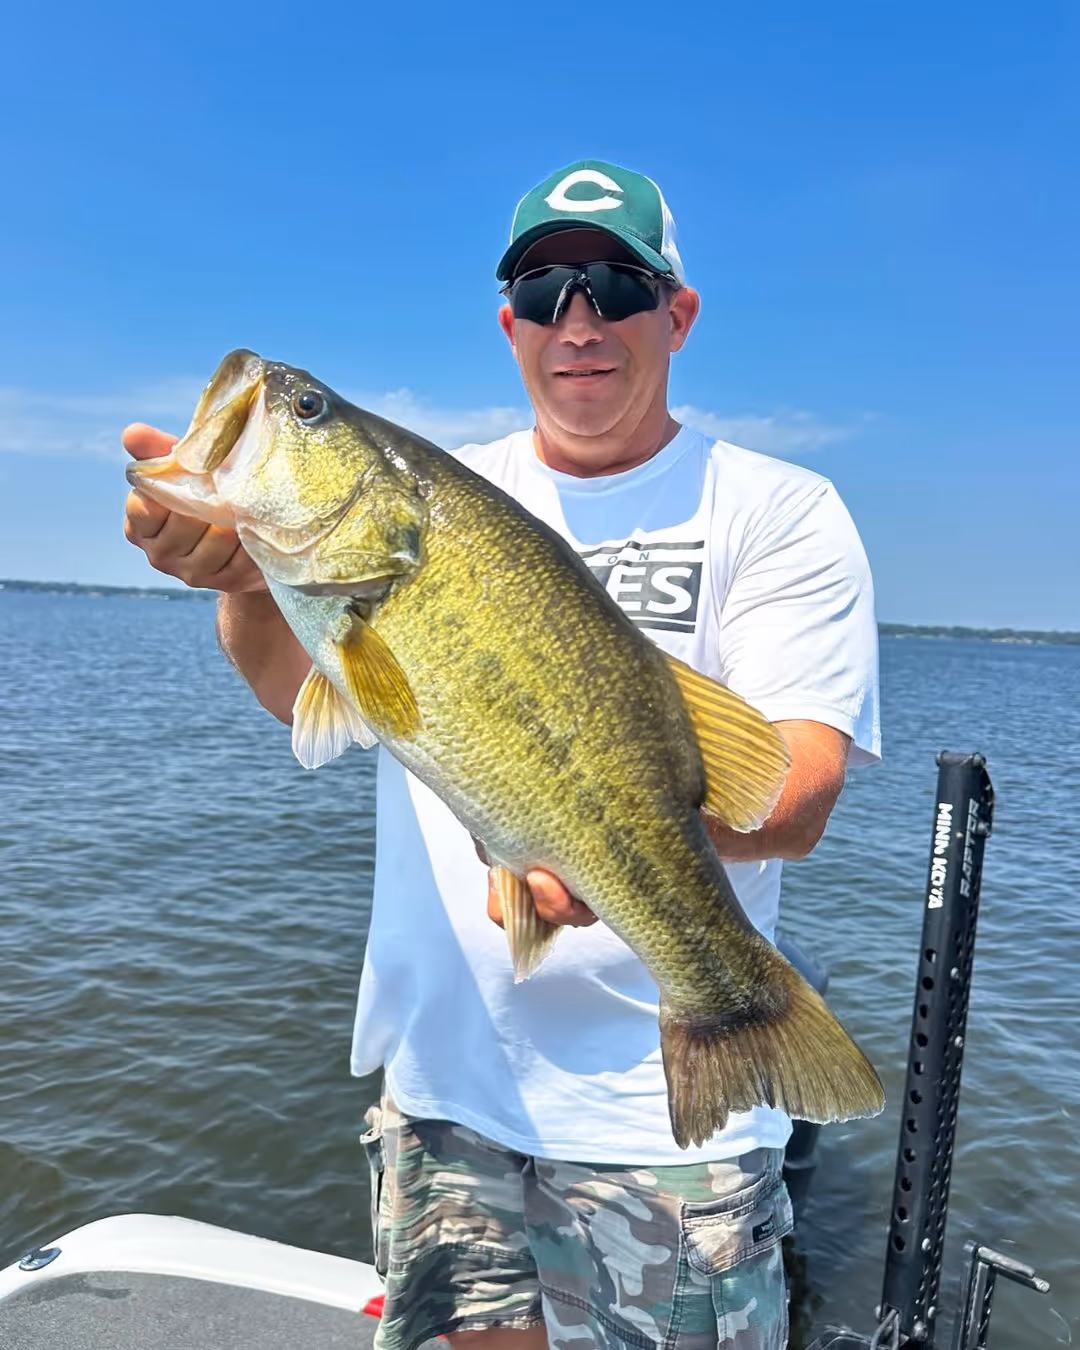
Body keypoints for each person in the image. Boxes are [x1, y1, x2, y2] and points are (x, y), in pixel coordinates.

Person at [123, 159, 881, 1350]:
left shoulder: (776, 508)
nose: (576, 320)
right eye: (542, 293)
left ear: (676, 314)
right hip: (444, 1098)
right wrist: (244, 579)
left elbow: (793, 791)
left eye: (613, 286)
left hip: (656, 1123)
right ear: (508, 325)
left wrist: (591, 831)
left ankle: (732, 1012)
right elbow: (304, 701)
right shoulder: (452, 486)